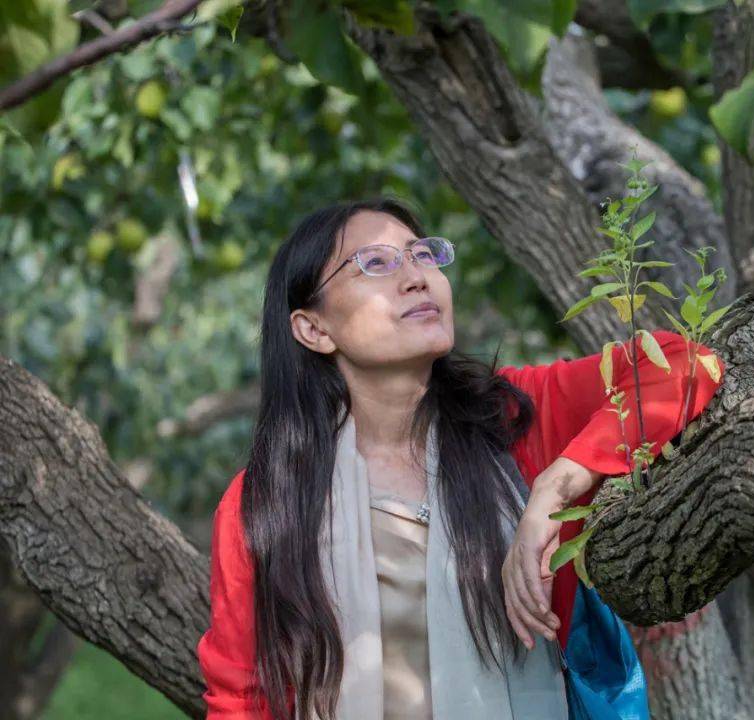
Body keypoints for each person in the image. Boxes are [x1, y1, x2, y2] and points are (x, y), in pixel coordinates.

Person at [195, 196, 725, 719]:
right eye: (375, 264)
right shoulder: (268, 500)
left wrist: (555, 486)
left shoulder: (513, 419)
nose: (415, 276)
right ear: (313, 328)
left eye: (423, 255)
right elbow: (241, 701)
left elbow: (685, 366)